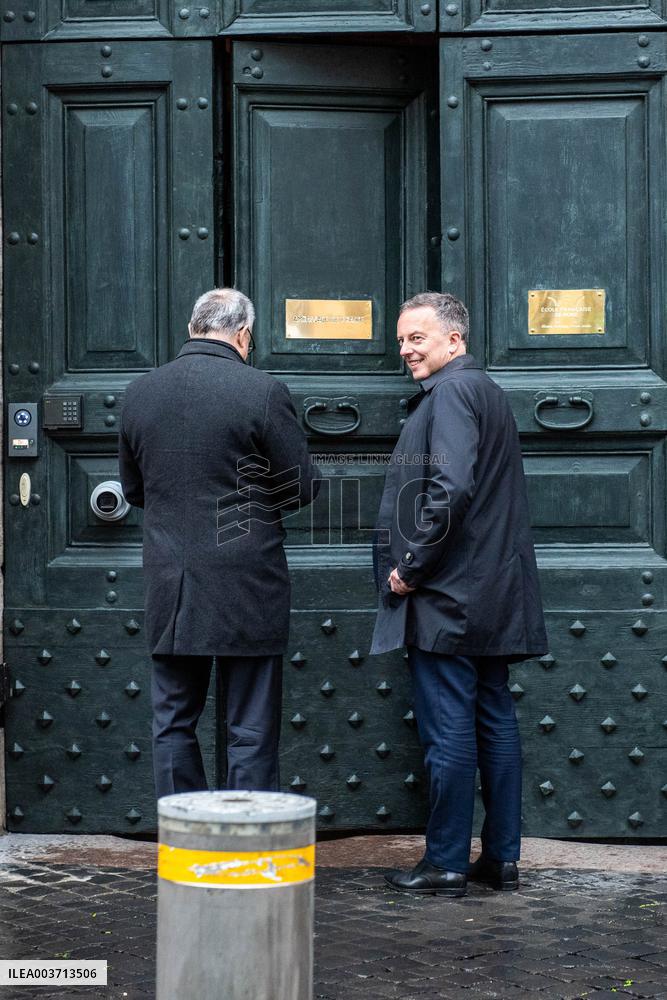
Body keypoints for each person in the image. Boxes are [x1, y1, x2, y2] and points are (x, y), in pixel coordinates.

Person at [371, 292, 547, 897]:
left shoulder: (449, 394)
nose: (405, 349)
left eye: (416, 338)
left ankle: (445, 862)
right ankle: (500, 859)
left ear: (454, 340)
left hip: (448, 596)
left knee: (448, 730)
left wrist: (411, 567)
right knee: (494, 721)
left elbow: (449, 489)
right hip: (492, 594)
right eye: (401, 339)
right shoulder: (485, 390)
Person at [119, 288, 320, 799]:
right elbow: (301, 486)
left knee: (172, 722)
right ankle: (246, 839)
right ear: (244, 335)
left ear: (193, 328)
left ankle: (184, 836)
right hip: (248, 580)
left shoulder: (140, 392)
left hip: (172, 581)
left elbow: (134, 490)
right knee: (250, 727)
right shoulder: (262, 391)